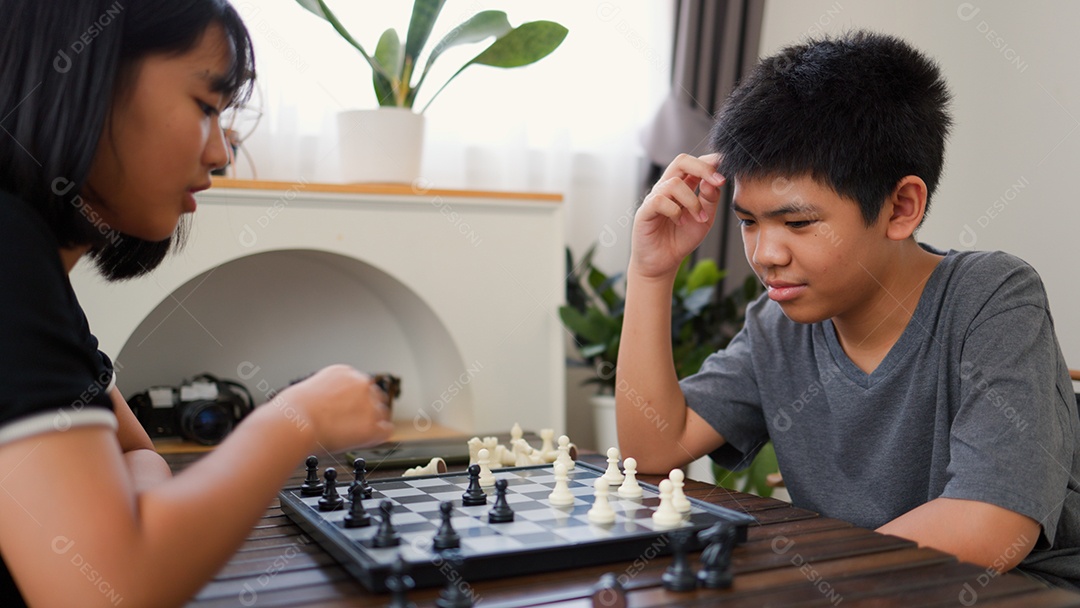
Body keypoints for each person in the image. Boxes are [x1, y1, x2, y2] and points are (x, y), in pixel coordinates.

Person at [618, 30, 1080, 588]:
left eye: (798, 223)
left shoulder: (992, 297)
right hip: (865, 586)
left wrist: (806, 582)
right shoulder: (778, 324)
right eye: (747, 222)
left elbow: (990, 527)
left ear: (901, 207)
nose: (766, 255)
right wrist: (650, 271)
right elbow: (652, 449)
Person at [0, 1, 393, 606]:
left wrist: (136, 511)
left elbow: (136, 452)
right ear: (90, 75)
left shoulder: (41, 273)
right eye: (206, 108)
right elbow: (111, 591)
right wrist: (299, 416)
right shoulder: (11, 251)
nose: (221, 154)